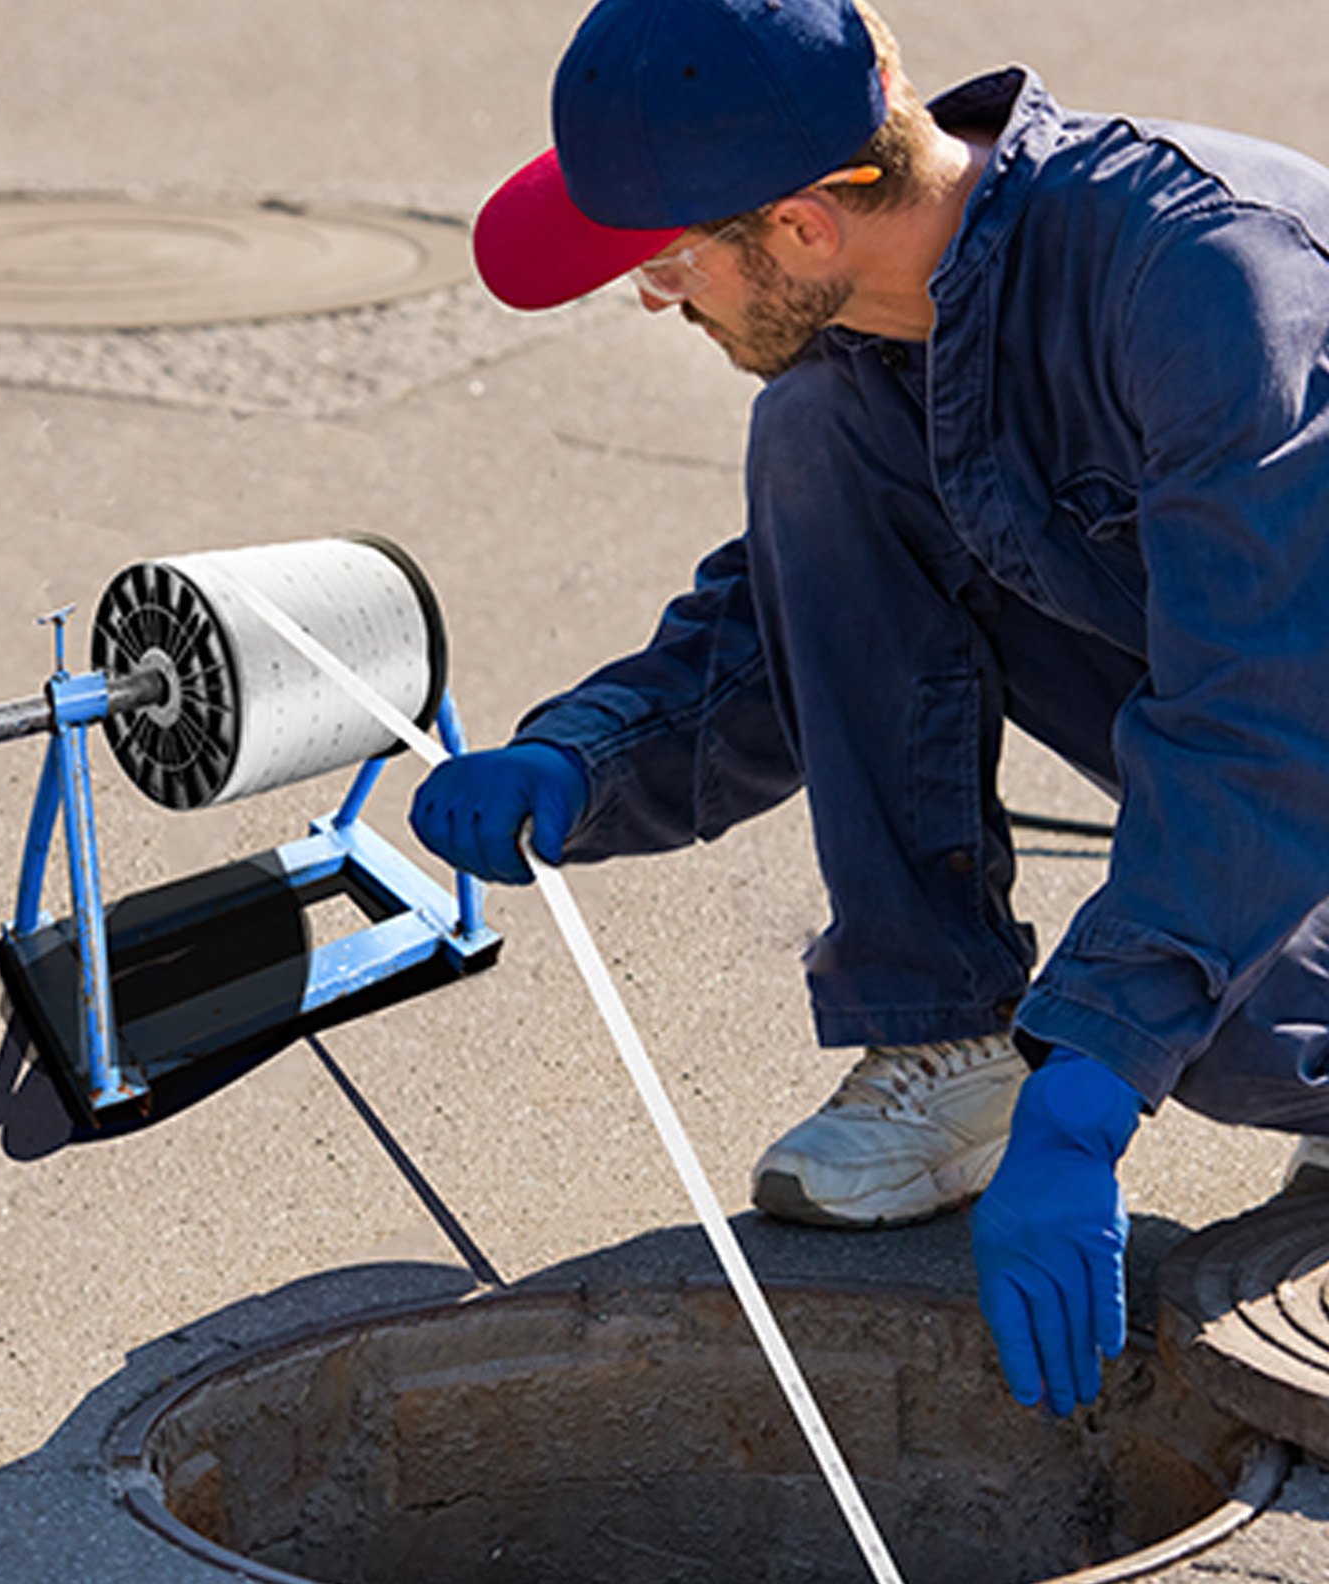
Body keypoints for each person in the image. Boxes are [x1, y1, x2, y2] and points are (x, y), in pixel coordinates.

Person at [408, 0, 1329, 1419]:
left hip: (1293, 708)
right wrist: (582, 762)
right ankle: (949, 1036)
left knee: (1219, 1036)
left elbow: (1263, 720)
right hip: (1274, 706)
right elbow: (810, 614)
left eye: (666, 262)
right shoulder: (905, 311)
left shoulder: (1206, 285)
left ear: (801, 225)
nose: (653, 299)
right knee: (821, 427)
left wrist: (1092, 1078)